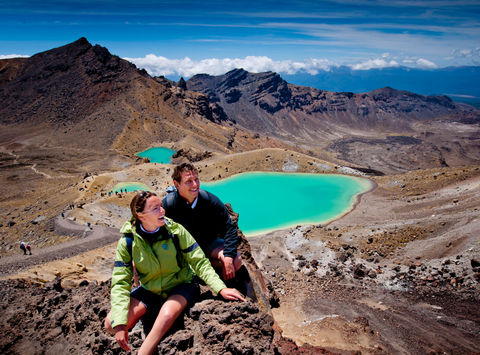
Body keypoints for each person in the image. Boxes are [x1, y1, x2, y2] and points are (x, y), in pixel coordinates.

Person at [104, 191, 244, 355]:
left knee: (167, 314)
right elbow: (120, 282)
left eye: (161, 207)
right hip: (151, 289)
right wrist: (120, 324)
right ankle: (146, 314)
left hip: (182, 285)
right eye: (155, 208)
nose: (162, 211)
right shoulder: (128, 241)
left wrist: (220, 288)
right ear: (140, 215)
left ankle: (144, 351)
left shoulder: (175, 231)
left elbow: (199, 261)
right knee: (110, 324)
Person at [162, 163, 243, 282]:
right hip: (181, 251)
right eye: (189, 181)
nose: (195, 185)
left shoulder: (209, 200)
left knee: (236, 261)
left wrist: (228, 257)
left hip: (207, 244)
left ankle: (200, 267)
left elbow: (229, 228)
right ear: (176, 184)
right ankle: (194, 268)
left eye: (196, 179)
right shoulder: (168, 205)